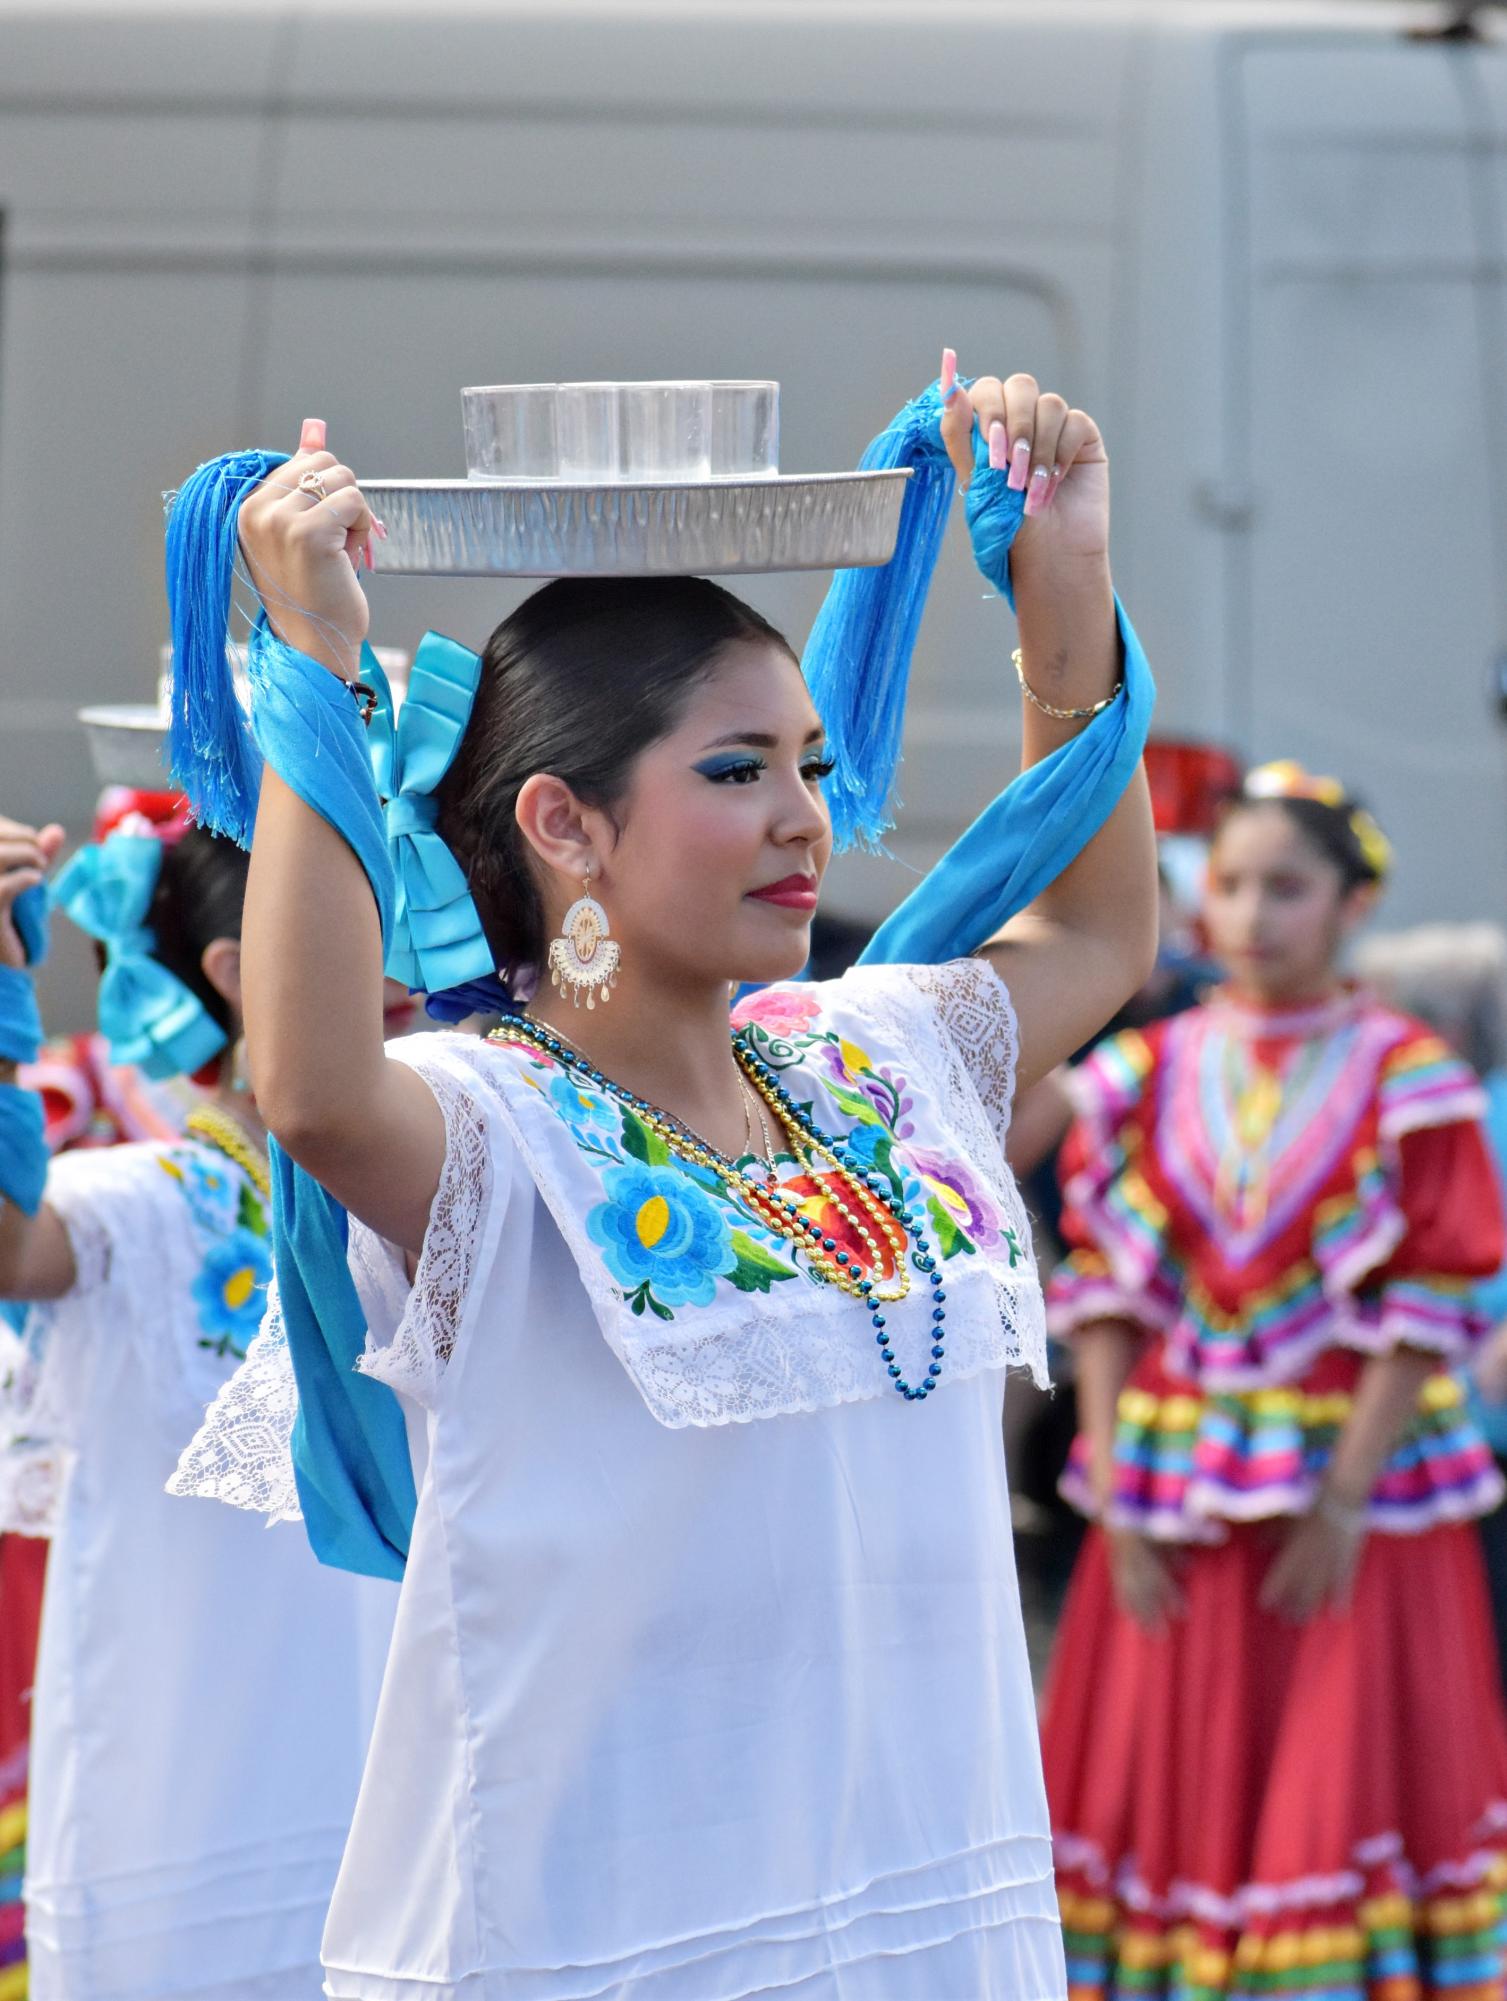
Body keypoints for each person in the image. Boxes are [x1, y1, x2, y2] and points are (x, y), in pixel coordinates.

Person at [173, 362, 1157, 2000]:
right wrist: (315, 665)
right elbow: (315, 1087)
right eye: (734, 771)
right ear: (563, 822)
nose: (803, 822)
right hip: (604, 1933)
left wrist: (1064, 602)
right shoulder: (491, 1127)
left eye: (811, 767)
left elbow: (1103, 936)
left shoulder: (881, 1054)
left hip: (920, 1908)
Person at [1041, 760, 1507, 2000]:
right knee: (1175, 1755)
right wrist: (1113, 1488)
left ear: (1354, 902)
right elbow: (1105, 1292)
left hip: (1362, 1482)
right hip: (1175, 1476)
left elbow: (1428, 1306)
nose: (1251, 916)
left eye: (1286, 888)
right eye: (1233, 885)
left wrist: (1348, 1495)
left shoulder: (1412, 1078)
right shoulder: (1144, 1075)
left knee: (1337, 1752)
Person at [0, 811, 395, 2001]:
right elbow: (11, 1251)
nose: (416, 969)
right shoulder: (143, 1204)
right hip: (194, 1821)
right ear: (235, 970)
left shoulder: (443, 1185)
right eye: (377, 927)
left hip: (412, 1801)